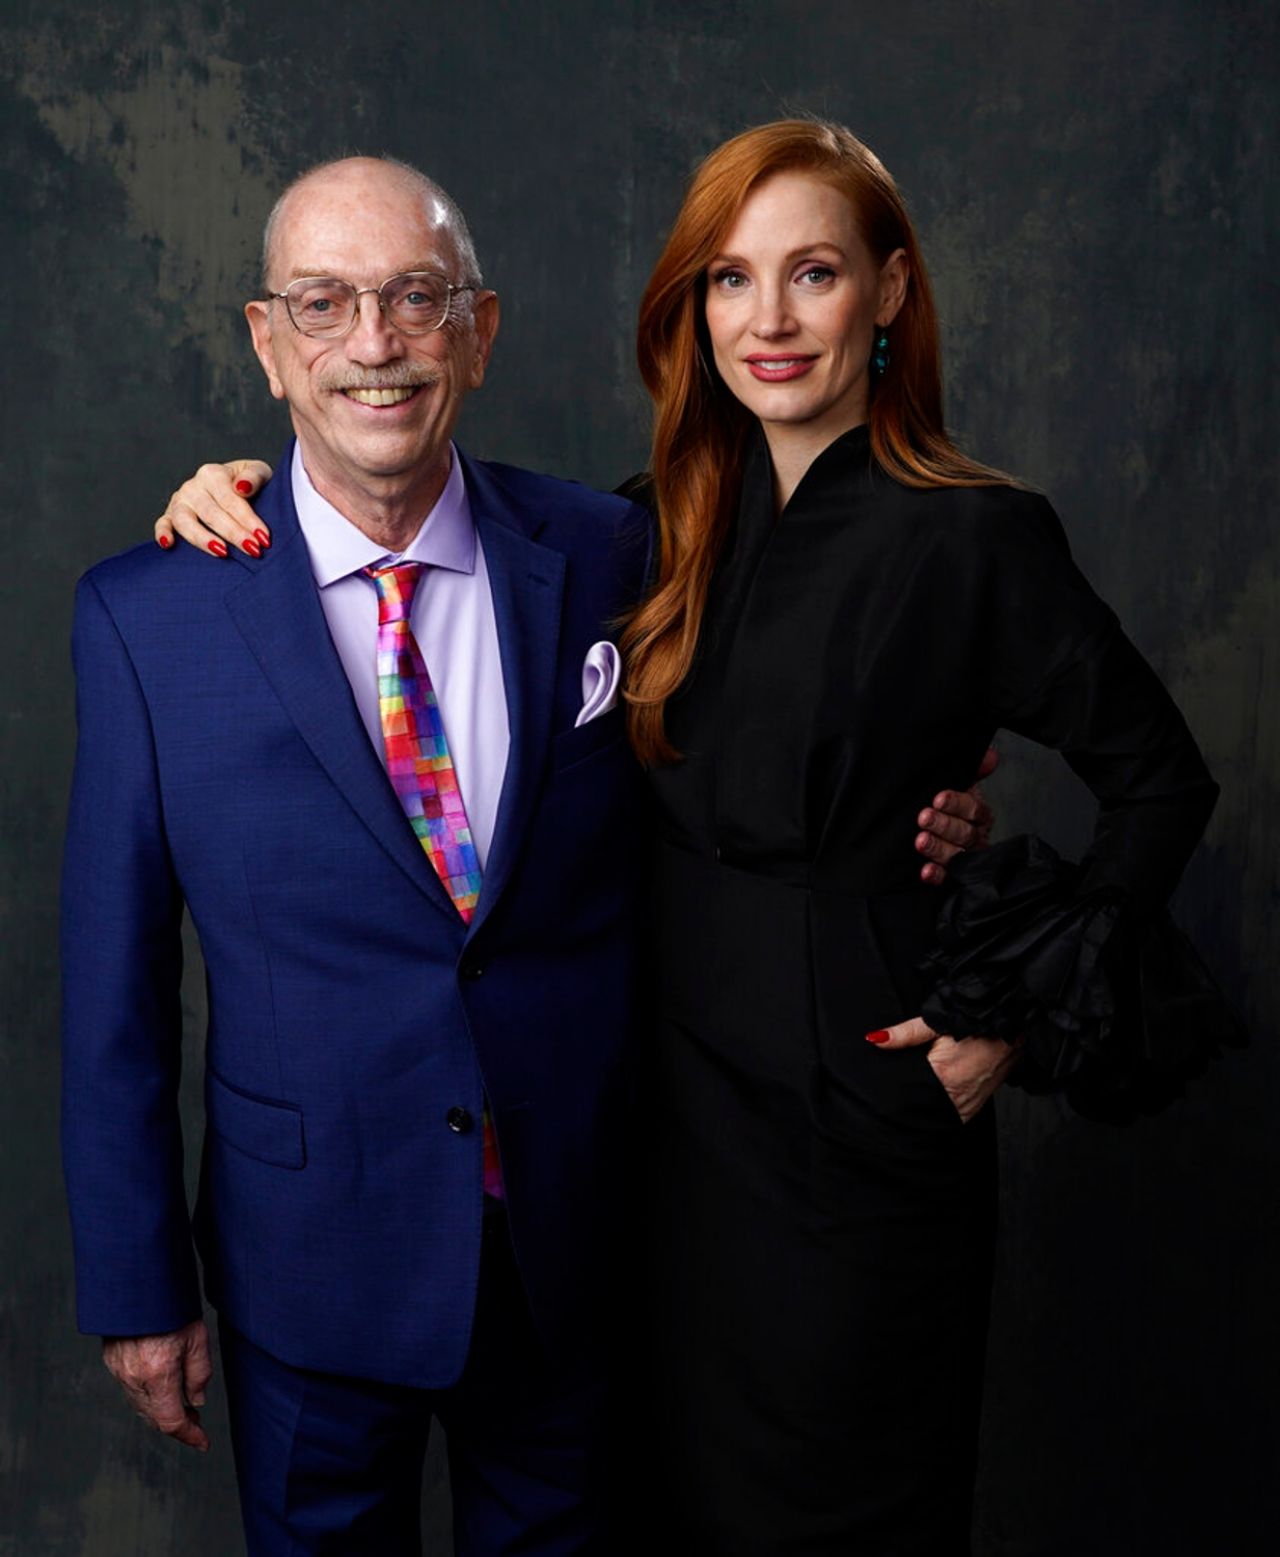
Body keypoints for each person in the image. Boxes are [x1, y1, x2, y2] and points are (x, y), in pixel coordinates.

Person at [66, 149, 989, 1555]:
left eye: (416, 297)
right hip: (310, 1261)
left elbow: (798, 708)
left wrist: (931, 797)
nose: (373, 344)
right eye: (322, 304)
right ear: (268, 342)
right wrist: (141, 1282)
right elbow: (112, 985)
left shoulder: (616, 551)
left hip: (580, 1245)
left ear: (480, 332)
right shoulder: (153, 615)